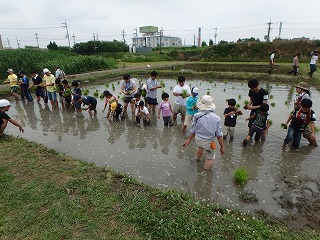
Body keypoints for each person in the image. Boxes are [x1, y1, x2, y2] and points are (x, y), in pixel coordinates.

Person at [183, 95, 224, 171]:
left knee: (200, 148)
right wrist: (222, 146)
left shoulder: (196, 116)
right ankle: (204, 173)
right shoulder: (217, 118)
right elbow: (219, 135)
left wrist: (188, 140)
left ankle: (197, 159)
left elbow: (192, 130)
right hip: (209, 142)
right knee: (210, 157)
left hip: (198, 140)